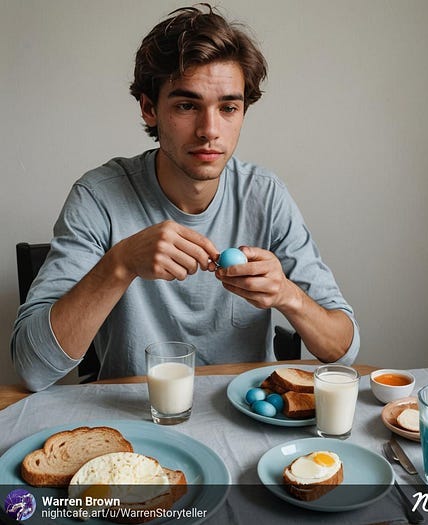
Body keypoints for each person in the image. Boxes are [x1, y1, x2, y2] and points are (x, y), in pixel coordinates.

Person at [11, 4, 360, 392]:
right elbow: (32, 368)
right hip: (135, 415)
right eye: (187, 106)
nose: (210, 130)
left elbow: (342, 349)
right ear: (149, 109)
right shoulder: (98, 196)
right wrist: (121, 264)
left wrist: (287, 295)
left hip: (246, 415)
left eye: (228, 107)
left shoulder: (266, 195)